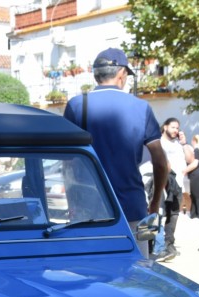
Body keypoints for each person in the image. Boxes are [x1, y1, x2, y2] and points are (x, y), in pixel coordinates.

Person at [63, 47, 168, 258]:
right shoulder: (141, 107)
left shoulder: (76, 105)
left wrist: (72, 201)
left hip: (88, 210)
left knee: (92, 274)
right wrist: (155, 201)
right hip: (131, 205)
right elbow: (160, 161)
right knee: (136, 276)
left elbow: (67, 160)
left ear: (95, 74)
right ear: (121, 74)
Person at [156, 117, 192, 261]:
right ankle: (159, 247)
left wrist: (184, 143)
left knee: (173, 215)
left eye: (177, 128)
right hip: (163, 184)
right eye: (173, 127)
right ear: (165, 127)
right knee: (158, 215)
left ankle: (169, 243)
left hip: (177, 185)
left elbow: (190, 158)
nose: (176, 130)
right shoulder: (159, 142)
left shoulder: (179, 144)